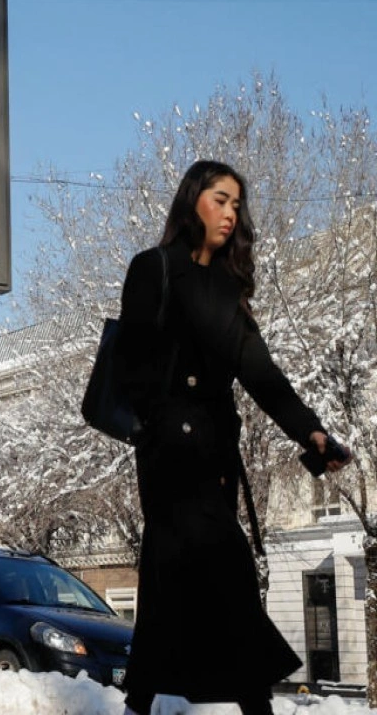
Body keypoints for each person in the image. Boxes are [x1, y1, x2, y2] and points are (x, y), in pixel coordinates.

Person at [114, 160, 352, 715]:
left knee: (169, 585)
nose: (230, 212)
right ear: (192, 200)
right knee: (231, 572)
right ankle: (255, 707)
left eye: (237, 204)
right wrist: (165, 422)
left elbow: (262, 374)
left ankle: (138, 702)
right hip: (170, 459)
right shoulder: (154, 269)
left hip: (215, 460)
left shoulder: (227, 289)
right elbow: (131, 365)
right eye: (220, 199)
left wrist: (312, 431)